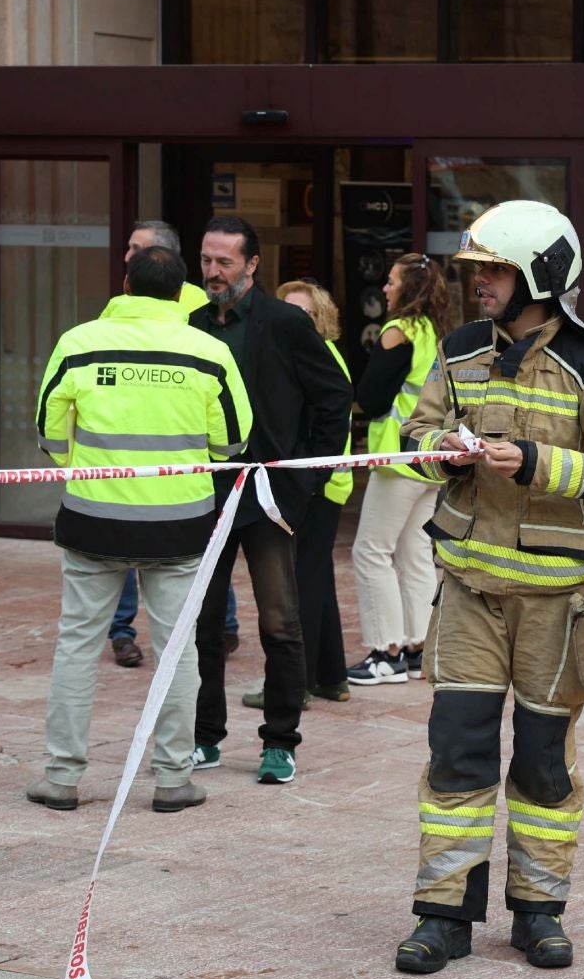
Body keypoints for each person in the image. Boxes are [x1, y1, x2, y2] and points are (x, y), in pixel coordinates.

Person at [391, 201, 584, 974]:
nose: (480, 283)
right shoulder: (458, 351)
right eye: (478, 270)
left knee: (544, 763)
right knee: (457, 753)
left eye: (496, 270)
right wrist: (436, 449)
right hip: (469, 590)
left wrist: (538, 464)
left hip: (556, 604)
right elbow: (414, 434)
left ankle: (539, 914)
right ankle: (442, 916)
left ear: (540, 274)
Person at [25, 244, 248, 814]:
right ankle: (173, 779)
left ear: (124, 284)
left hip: (92, 521)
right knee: (177, 652)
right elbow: (231, 443)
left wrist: (93, 476)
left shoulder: (79, 342)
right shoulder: (208, 350)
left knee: (77, 644)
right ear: (182, 293)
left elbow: (49, 435)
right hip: (178, 525)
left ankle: (62, 777)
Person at [189, 216, 352, 785]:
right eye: (207, 260)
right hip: (206, 494)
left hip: (271, 497)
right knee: (203, 624)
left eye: (224, 262)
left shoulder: (285, 322)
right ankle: (204, 737)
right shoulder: (191, 327)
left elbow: (335, 396)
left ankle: (280, 741)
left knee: (281, 622)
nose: (213, 272)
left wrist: (306, 475)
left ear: (252, 265)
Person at [101, 220, 238, 669]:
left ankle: (223, 625)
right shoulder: (116, 308)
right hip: (128, 461)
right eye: (128, 246)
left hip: (184, 466)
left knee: (200, 556)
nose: (127, 254)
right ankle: (124, 632)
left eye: (136, 248)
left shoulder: (196, 304)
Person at [243, 280, 355, 710]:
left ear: (320, 319)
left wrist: (309, 479)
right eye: (285, 310)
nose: (292, 321)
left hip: (318, 485)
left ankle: (297, 685)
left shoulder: (321, 357)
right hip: (321, 481)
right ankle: (331, 677)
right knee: (317, 579)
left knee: (299, 585)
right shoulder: (303, 353)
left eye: (303, 314)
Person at [348, 254, 459, 685]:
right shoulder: (438, 333)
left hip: (397, 459)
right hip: (429, 460)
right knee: (416, 554)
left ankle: (385, 652)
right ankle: (417, 647)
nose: (385, 289)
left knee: (371, 551)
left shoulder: (398, 333)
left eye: (391, 282)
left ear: (408, 289)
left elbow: (372, 397)